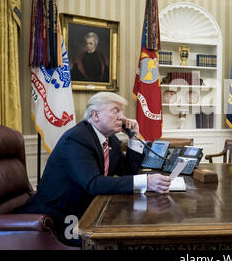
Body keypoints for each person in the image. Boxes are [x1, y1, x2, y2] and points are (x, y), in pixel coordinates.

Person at [16, 92, 171, 246]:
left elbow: (128, 171)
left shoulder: (111, 140)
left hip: (86, 209)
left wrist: (133, 138)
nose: (122, 117)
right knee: (120, 240)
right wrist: (146, 181)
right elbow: (93, 183)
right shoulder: (77, 139)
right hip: (55, 217)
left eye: (122, 112)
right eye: (115, 111)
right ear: (95, 115)